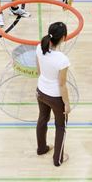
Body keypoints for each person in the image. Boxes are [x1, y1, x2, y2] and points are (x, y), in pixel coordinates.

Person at [36, 22, 71, 167]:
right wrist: (67, 104)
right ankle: (57, 159)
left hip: (40, 91)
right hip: (55, 97)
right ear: (63, 38)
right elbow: (62, 84)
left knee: (42, 118)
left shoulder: (39, 47)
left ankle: (42, 148)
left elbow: (38, 70)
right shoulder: (62, 59)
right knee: (61, 126)